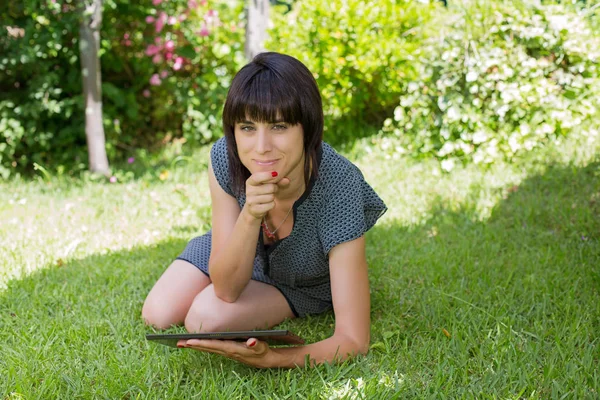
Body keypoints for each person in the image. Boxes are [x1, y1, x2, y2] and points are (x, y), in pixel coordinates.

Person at [142, 52, 387, 368]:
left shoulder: (339, 184)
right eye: (247, 127)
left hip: (302, 280)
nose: (260, 147)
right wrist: (250, 214)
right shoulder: (224, 157)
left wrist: (276, 358)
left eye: (279, 126)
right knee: (157, 313)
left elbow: (354, 339)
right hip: (235, 242)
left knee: (204, 318)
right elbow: (228, 289)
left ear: (308, 128)